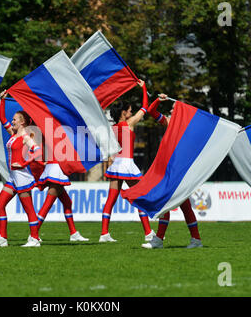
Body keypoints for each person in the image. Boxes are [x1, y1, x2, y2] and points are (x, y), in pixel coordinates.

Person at [141, 95, 203, 249]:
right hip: (171, 171)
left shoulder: (188, 128)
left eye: (174, 109)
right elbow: (151, 110)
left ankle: (159, 240)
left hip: (179, 172)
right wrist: (159, 100)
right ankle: (196, 240)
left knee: (166, 203)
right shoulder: (170, 123)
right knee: (185, 206)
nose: (170, 110)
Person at [99, 79, 155, 243]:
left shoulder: (112, 128)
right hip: (127, 164)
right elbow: (145, 107)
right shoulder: (128, 124)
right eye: (129, 110)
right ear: (124, 112)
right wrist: (144, 87)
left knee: (111, 199)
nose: (131, 112)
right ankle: (148, 232)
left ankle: (104, 234)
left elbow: (111, 150)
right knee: (139, 197)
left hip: (116, 165)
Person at [0, 90, 43, 247]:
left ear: (22, 122)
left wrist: (25, 164)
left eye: (15, 120)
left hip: (22, 176)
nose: (12, 122)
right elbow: (1, 118)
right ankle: (2, 238)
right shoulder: (12, 133)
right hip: (13, 176)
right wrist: (2, 100)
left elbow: (37, 151)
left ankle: (34, 239)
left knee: (29, 209)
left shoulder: (26, 136)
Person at [35, 160, 89, 242]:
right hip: (56, 170)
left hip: (55, 168)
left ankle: (73, 233)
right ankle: (33, 234)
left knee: (67, 202)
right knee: (47, 205)